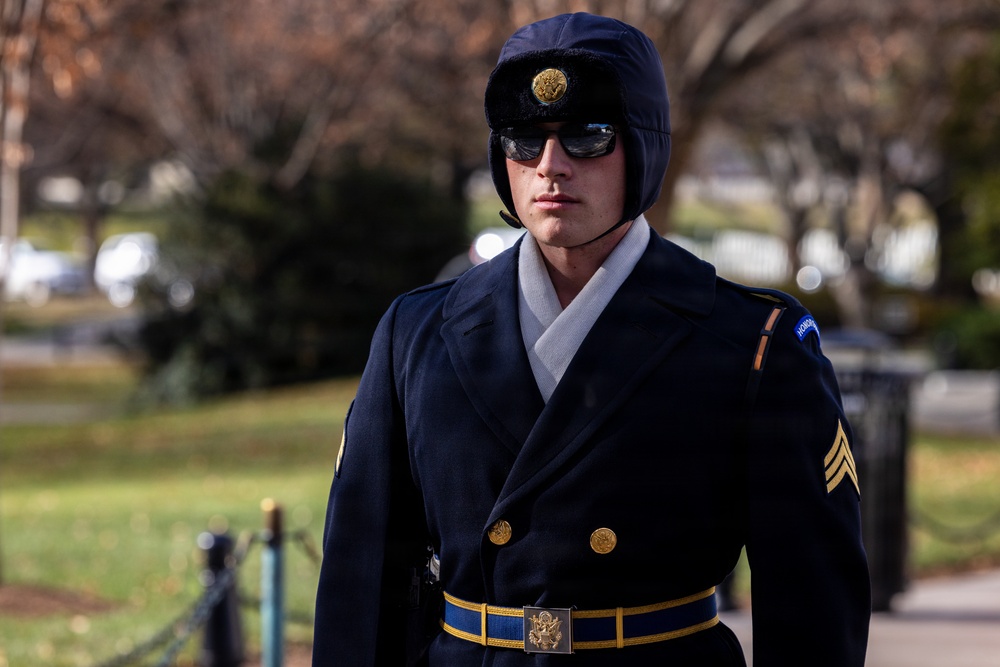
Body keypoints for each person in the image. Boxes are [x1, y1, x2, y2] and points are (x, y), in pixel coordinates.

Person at [312, 12, 871, 666]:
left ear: (644, 148)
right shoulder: (415, 333)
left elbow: (813, 609)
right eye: (524, 139)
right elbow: (361, 589)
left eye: (587, 137)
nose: (550, 166)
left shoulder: (753, 343)